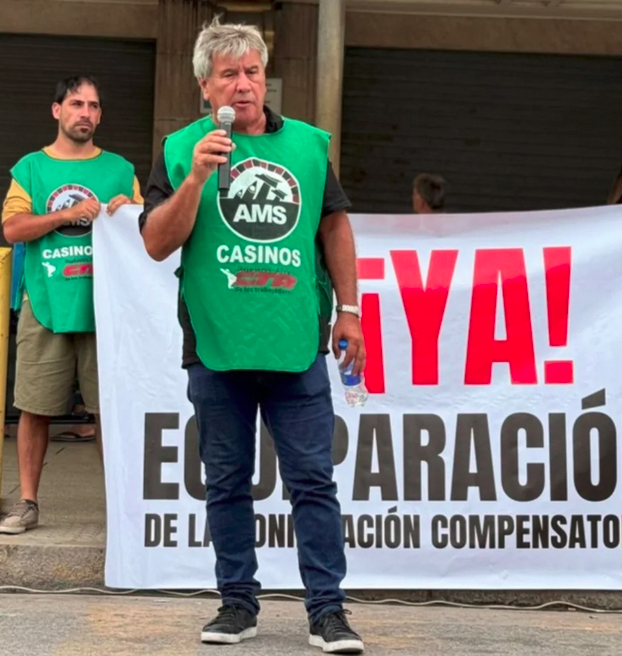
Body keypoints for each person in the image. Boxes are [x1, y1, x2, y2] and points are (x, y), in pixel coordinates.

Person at [138, 19, 365, 652]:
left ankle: (328, 611)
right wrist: (194, 180)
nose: (243, 85)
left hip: (294, 342)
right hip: (216, 343)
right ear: (204, 86)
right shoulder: (181, 149)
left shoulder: (309, 146)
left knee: (313, 481)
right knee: (227, 481)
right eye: (228, 74)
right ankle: (237, 604)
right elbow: (156, 243)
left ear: (266, 79)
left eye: (253, 72)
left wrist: (350, 309)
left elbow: (334, 228)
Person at [0, 76, 141, 534]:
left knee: (110, 412)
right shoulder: (31, 168)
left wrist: (130, 210)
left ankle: (121, 511)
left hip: (106, 309)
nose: (86, 113)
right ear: (56, 110)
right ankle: (27, 503)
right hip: (46, 303)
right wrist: (66, 213)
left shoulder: (120, 170)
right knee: (34, 407)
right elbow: (13, 228)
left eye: (94, 106)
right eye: (77, 103)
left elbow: (149, 231)